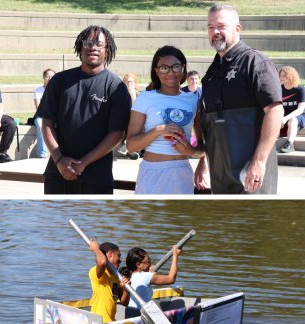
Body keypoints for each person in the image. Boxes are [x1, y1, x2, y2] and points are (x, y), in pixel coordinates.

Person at [195, 5, 283, 194]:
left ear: (237, 29)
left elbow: (275, 111)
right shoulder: (211, 73)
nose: (215, 32)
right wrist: (204, 161)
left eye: (221, 26)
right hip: (220, 177)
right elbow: (210, 124)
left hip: (251, 176)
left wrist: (259, 162)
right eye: (210, 27)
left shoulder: (255, 62)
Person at [35, 25, 131, 194]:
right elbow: (47, 122)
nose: (93, 47)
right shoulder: (59, 80)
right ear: (80, 47)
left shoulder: (116, 87)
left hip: (96, 176)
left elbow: (117, 133)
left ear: (107, 51)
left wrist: (84, 163)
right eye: (87, 43)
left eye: (99, 44)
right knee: (55, 221)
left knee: (92, 221)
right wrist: (59, 159)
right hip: (58, 173)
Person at [126, 45, 205, 195]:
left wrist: (192, 151)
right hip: (152, 174)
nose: (170, 73)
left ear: (183, 68)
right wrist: (158, 130)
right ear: (156, 71)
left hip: (182, 174)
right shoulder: (144, 98)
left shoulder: (193, 100)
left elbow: (204, 147)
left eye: (175, 67)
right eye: (164, 68)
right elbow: (130, 146)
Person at [88, 240, 131, 323]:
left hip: (111, 322)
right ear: (110, 254)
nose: (120, 260)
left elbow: (124, 302)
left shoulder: (116, 276)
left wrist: (126, 289)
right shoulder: (96, 272)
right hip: (98, 323)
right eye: (118, 256)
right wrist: (96, 249)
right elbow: (102, 262)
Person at [278, 66, 305, 153]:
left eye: (283, 76)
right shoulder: (279, 89)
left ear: (290, 76)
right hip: (283, 115)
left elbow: (300, 110)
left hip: (298, 116)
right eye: (280, 75)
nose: (281, 78)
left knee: (292, 120)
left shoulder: (300, 89)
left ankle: (290, 144)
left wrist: (285, 118)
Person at [117, 73, 141, 160]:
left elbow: (136, 109)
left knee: (134, 122)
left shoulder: (139, 94)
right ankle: (127, 149)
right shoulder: (121, 94)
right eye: (127, 82)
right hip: (125, 117)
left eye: (131, 82)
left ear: (135, 83)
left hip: (136, 118)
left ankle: (126, 147)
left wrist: (132, 95)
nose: (129, 84)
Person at [33, 68, 55, 158]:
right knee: (41, 125)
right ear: (43, 78)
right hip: (41, 116)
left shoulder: (58, 90)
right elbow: (38, 108)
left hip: (55, 116)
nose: (49, 78)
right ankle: (42, 154)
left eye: (52, 77)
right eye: (47, 76)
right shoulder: (38, 91)